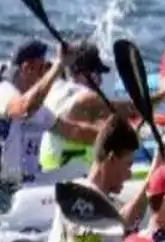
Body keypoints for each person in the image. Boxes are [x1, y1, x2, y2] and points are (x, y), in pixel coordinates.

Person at [0, 41, 106, 213]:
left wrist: (115, 135)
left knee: (81, 172)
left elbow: (74, 132)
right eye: (42, 68)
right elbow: (23, 109)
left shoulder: (37, 109)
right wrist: (60, 66)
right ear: (27, 68)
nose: (45, 73)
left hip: (26, 185)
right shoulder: (3, 93)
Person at [48, 116, 156, 242]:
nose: (129, 174)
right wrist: (153, 176)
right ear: (111, 159)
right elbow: (121, 223)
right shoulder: (79, 195)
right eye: (128, 165)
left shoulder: (100, 200)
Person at [38, 44, 116, 174]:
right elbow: (112, 129)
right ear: (85, 74)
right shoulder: (84, 96)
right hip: (70, 176)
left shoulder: (55, 88)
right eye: (97, 74)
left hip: (47, 168)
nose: (100, 81)